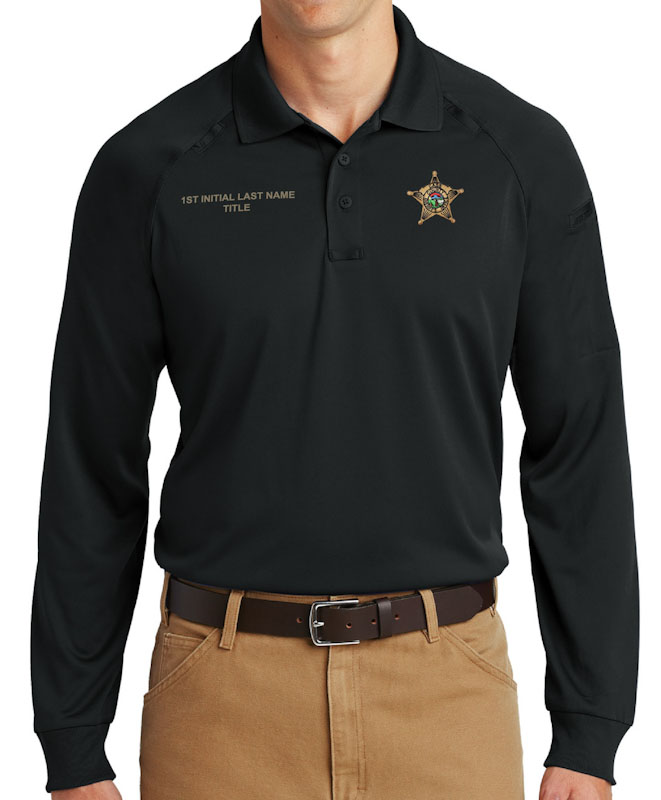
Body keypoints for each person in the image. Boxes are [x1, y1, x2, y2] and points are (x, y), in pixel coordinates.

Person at [31, 2, 639, 798]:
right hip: (219, 704)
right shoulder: (149, 166)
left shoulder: (518, 154)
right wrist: (73, 742)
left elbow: (578, 443)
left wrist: (590, 728)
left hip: (447, 698)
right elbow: (92, 456)